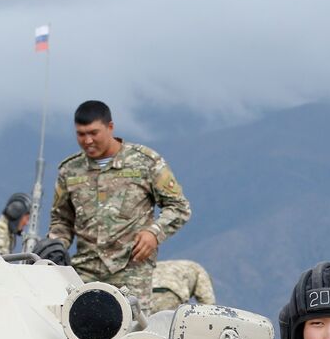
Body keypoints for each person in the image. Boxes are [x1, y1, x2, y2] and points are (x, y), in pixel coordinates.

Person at [47, 100, 192, 312]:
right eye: (81, 134)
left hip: (131, 269)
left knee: (130, 332)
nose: (87, 140)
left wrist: (154, 233)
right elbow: (62, 219)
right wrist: (56, 245)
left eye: (93, 133)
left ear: (110, 128)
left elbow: (179, 207)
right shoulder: (69, 170)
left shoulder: (145, 162)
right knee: (75, 329)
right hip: (84, 269)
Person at [151, 259, 217, 313]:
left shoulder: (186, 266)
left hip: (147, 293)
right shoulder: (201, 271)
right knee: (170, 325)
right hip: (172, 293)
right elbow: (208, 304)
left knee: (147, 326)